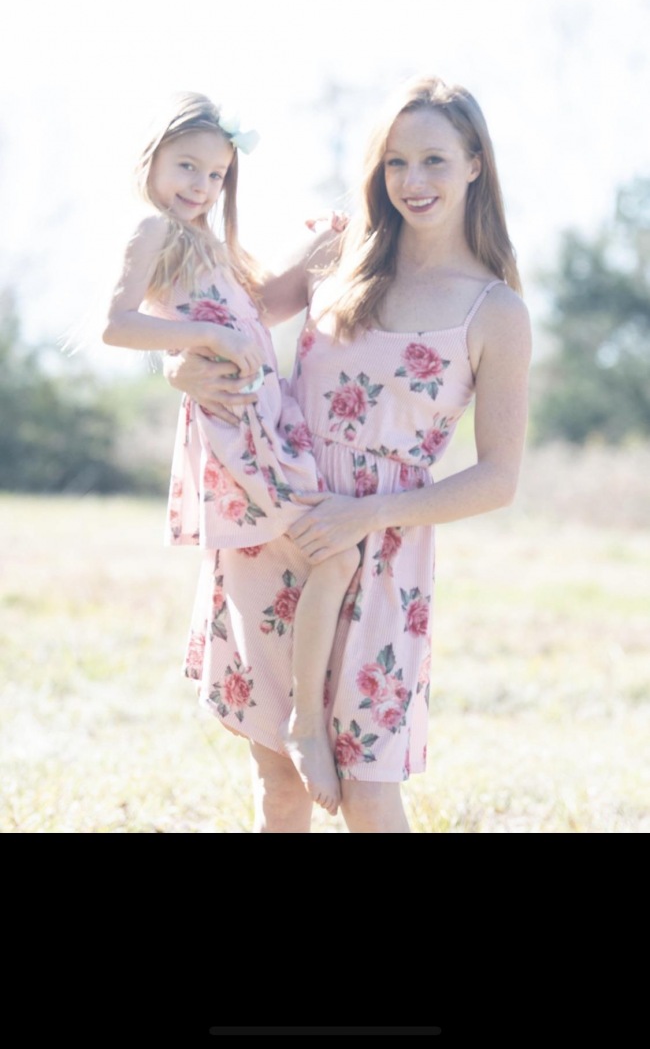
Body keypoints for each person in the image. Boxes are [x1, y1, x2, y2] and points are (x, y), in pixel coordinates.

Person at [163, 74, 532, 834]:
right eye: (396, 162)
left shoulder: (495, 309)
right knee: (280, 784)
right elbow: (229, 326)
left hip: (382, 550)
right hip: (279, 518)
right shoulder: (340, 251)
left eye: (433, 160)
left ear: (475, 164)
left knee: (367, 791)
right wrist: (177, 365)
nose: (412, 180)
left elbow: (498, 479)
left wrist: (366, 514)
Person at [102, 93, 361, 814]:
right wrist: (204, 340)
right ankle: (304, 718)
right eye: (187, 166)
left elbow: (258, 308)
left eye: (216, 174)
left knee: (332, 555)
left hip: (265, 428)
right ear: (152, 161)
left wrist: (319, 244)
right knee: (335, 553)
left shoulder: (204, 243)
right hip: (236, 432)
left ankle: (302, 713)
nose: (201, 185)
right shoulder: (152, 228)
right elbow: (116, 325)